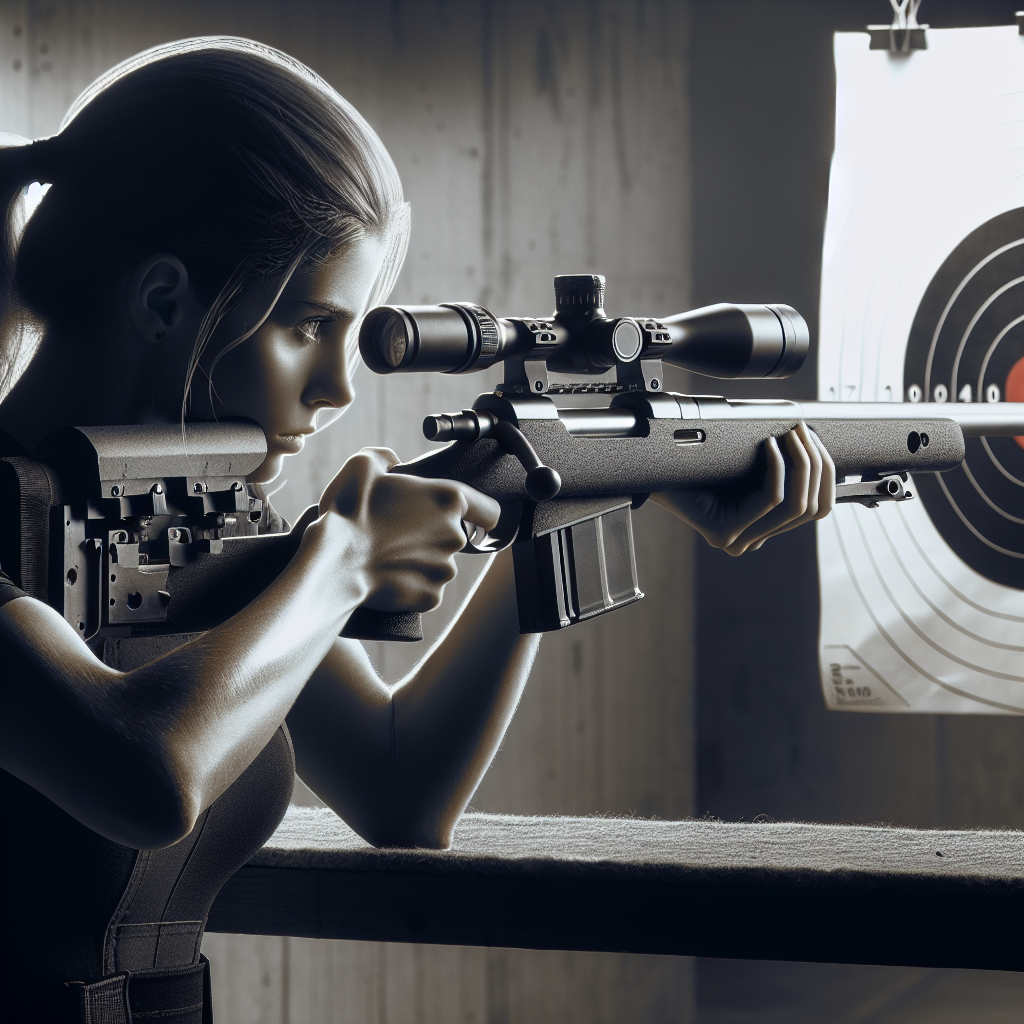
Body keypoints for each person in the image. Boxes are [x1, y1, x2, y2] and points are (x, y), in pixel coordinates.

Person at [0, 38, 835, 1023]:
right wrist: (341, 559)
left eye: (351, 338)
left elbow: (400, 785)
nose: (338, 386)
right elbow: (143, 772)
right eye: (308, 326)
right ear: (164, 299)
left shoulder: (209, 528)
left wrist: (553, 501)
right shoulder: (228, 550)